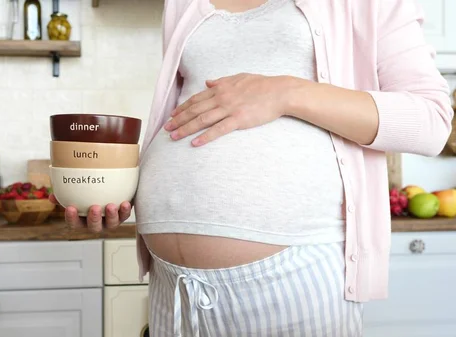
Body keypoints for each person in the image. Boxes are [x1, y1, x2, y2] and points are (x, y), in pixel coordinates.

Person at [61, 0, 453, 335]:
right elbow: (190, 114)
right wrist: (117, 190)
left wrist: (285, 91)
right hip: (172, 287)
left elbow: (431, 122)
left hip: (294, 283)